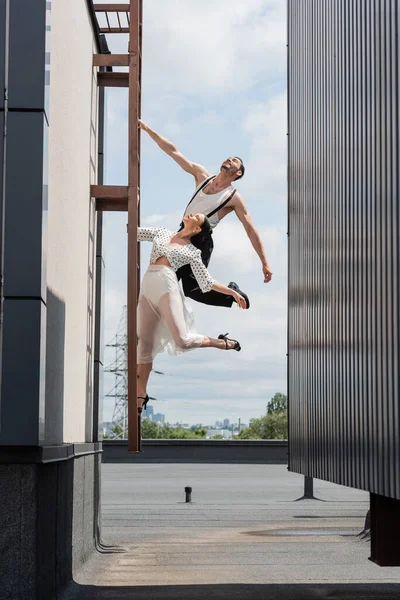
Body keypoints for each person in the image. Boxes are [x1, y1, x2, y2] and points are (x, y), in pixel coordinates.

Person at [139, 120, 273, 310]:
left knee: (193, 289)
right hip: (183, 231)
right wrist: (147, 129)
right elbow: (173, 152)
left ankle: (232, 295)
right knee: (164, 279)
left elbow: (250, 230)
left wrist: (264, 263)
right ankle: (157, 319)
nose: (229, 160)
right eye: (228, 158)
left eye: (234, 161)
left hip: (201, 240)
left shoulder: (233, 198)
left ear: (238, 172)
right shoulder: (202, 176)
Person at [136, 213, 246, 412]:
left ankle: (221, 343)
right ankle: (141, 394)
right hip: (147, 287)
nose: (193, 214)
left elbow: (207, 282)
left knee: (183, 341)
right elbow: (134, 234)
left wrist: (231, 292)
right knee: (144, 343)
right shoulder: (161, 232)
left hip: (166, 287)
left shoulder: (192, 252)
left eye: (198, 217)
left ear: (196, 229)